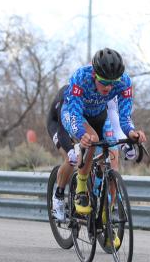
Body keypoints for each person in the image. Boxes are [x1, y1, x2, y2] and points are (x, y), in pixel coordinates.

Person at [60, 48, 147, 230]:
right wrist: (80, 134)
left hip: (100, 115)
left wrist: (131, 132)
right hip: (75, 114)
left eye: (112, 82)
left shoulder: (124, 82)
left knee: (113, 163)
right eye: (104, 81)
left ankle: (107, 216)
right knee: (91, 139)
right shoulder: (81, 77)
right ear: (94, 74)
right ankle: (81, 189)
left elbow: (124, 117)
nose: (108, 87)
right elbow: (75, 112)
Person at [47, 86, 135, 223]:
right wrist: (71, 150)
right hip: (59, 123)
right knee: (71, 159)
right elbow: (64, 130)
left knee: (103, 153)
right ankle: (58, 197)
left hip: (86, 122)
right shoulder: (71, 99)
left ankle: (98, 195)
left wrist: (124, 143)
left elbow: (114, 121)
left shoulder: (100, 98)